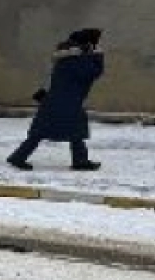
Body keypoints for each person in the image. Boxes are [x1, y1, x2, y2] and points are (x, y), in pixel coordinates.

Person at [7, 28, 105, 172]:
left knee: (42, 132)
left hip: (56, 101)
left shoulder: (66, 57)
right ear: (88, 44)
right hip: (67, 102)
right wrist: (98, 56)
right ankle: (80, 161)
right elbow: (93, 72)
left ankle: (18, 157)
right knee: (75, 130)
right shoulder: (76, 60)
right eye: (94, 43)